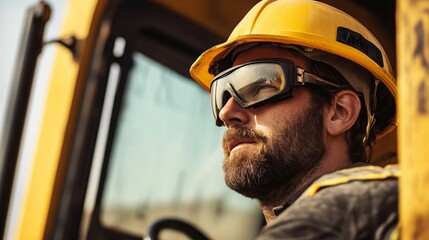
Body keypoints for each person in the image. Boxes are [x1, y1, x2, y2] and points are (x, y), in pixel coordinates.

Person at [190, 0, 399, 239]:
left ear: (340, 112)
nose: (227, 113)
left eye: (261, 85)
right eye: (221, 93)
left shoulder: (393, 208)